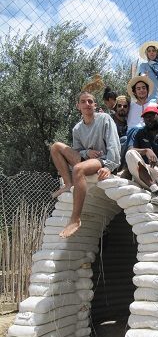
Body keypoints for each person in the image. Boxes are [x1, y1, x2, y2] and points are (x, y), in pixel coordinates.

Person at [51, 91, 121, 238]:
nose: (87, 104)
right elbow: (77, 150)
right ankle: (68, 183)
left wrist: (109, 166)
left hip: (101, 159)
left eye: (90, 101)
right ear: (78, 106)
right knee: (55, 147)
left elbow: (114, 145)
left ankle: (75, 219)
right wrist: (86, 152)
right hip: (86, 158)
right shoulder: (77, 129)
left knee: (78, 169)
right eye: (83, 102)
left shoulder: (104, 119)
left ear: (95, 105)